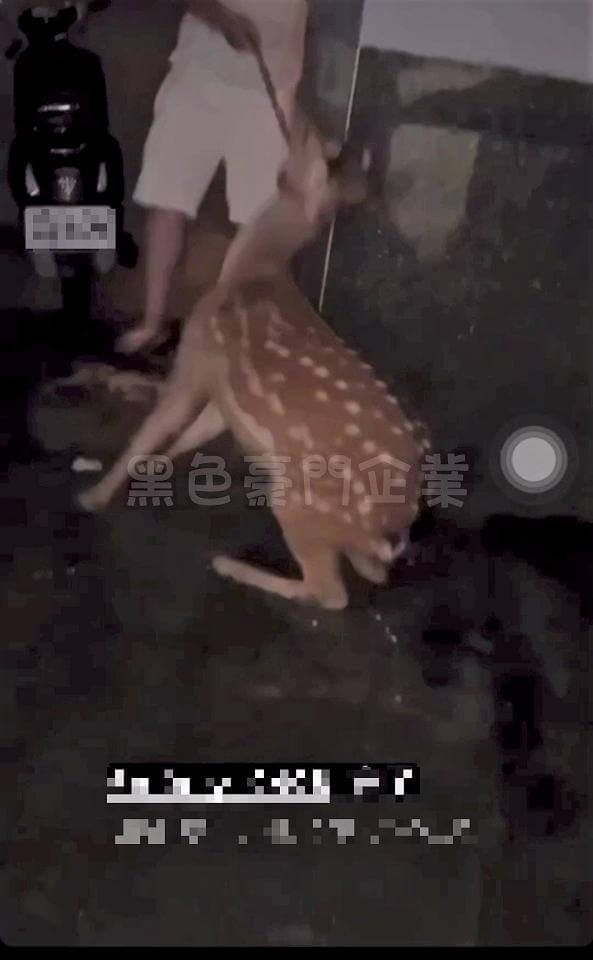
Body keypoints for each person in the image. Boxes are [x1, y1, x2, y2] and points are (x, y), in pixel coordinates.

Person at [117, 0, 308, 354]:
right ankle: (152, 324)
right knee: (166, 198)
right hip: (198, 76)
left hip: (271, 85)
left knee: (259, 222)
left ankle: (246, 334)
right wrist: (219, 16)